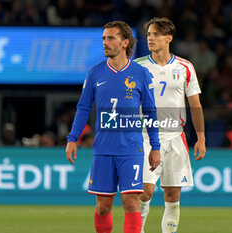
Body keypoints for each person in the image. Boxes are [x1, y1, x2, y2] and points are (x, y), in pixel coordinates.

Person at [65, 21, 161, 233]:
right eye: (103, 39)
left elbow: (150, 111)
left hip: (131, 149)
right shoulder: (95, 73)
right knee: (102, 207)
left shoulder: (141, 73)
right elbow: (83, 108)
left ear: (125, 42)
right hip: (104, 149)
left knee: (131, 203)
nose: (105, 43)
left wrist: (155, 146)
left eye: (111, 38)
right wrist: (73, 138)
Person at [134, 17, 206, 233]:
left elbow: (195, 104)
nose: (150, 38)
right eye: (148, 35)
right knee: (144, 192)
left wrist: (201, 137)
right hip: (146, 136)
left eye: (155, 34)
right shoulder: (138, 67)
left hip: (175, 136)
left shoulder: (185, 67)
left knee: (173, 195)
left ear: (169, 38)